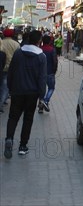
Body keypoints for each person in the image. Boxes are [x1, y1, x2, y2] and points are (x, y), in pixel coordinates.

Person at [4, 30, 47, 158]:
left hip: (17, 91)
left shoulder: (18, 53)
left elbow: (11, 72)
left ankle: (9, 139)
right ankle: (23, 146)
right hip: (32, 94)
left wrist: (10, 88)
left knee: (13, 117)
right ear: (39, 41)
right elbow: (42, 78)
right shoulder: (41, 57)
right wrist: (41, 96)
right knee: (28, 119)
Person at [0, 28, 20, 113]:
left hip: (1, 66)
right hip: (11, 68)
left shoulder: (1, 42)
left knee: (2, 85)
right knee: (6, 87)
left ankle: (3, 100)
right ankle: (1, 103)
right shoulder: (16, 44)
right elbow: (19, 57)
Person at [38, 35, 58, 113]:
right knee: (51, 88)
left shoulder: (39, 50)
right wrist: (54, 70)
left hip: (40, 73)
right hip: (50, 72)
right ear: (50, 41)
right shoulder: (52, 50)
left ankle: (40, 108)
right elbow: (55, 61)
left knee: (41, 90)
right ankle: (46, 101)